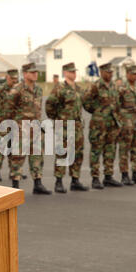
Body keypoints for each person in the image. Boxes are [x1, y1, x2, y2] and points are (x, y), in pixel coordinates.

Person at [0, 62, 51, 194]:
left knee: (37, 157)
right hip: (20, 130)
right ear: (25, 74)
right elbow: (6, 110)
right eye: (32, 72)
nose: (35, 74)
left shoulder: (38, 89)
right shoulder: (17, 89)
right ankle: (15, 185)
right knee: (17, 157)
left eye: (36, 72)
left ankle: (38, 183)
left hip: (36, 129)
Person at [46, 62, 88, 193]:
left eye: (75, 71)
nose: (74, 74)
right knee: (62, 153)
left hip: (77, 125)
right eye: (71, 72)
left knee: (78, 153)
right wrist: (58, 119)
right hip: (63, 126)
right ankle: (59, 181)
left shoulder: (79, 89)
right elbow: (50, 106)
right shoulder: (59, 89)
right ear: (65, 73)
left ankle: (75, 180)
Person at [83, 62, 123, 189]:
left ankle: (108, 176)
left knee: (110, 149)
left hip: (112, 123)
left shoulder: (114, 86)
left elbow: (118, 102)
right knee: (96, 150)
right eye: (108, 72)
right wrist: (97, 112)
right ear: (102, 72)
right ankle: (95, 178)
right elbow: (86, 102)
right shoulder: (95, 86)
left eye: (111, 72)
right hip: (98, 125)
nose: (110, 74)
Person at [0, 69, 25, 181]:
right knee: (0, 152)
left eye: (16, 79)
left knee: (15, 152)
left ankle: (15, 172)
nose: (14, 81)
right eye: (12, 79)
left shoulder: (19, 90)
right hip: (2, 124)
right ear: (7, 78)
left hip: (15, 124)